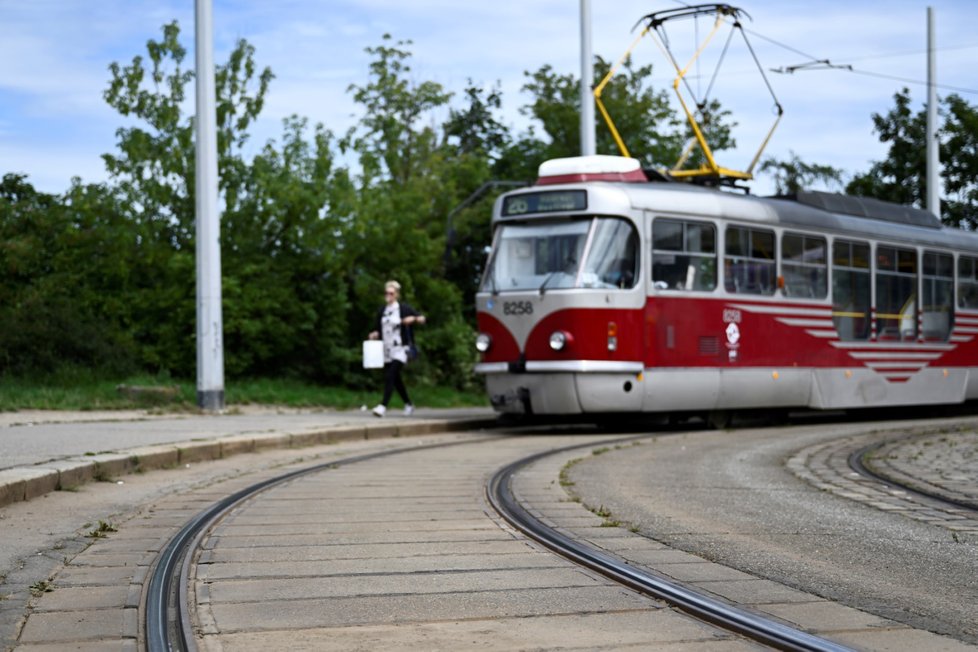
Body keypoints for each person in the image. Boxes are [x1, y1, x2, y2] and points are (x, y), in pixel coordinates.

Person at [368, 280, 426, 417]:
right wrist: (374, 334)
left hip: (401, 348)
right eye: (386, 293)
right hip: (386, 349)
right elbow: (378, 328)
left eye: (391, 293)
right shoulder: (382, 310)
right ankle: (408, 404)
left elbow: (422, 318)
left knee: (390, 375)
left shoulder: (404, 309)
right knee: (395, 378)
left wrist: (413, 319)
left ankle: (383, 406)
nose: (388, 295)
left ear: (397, 294)